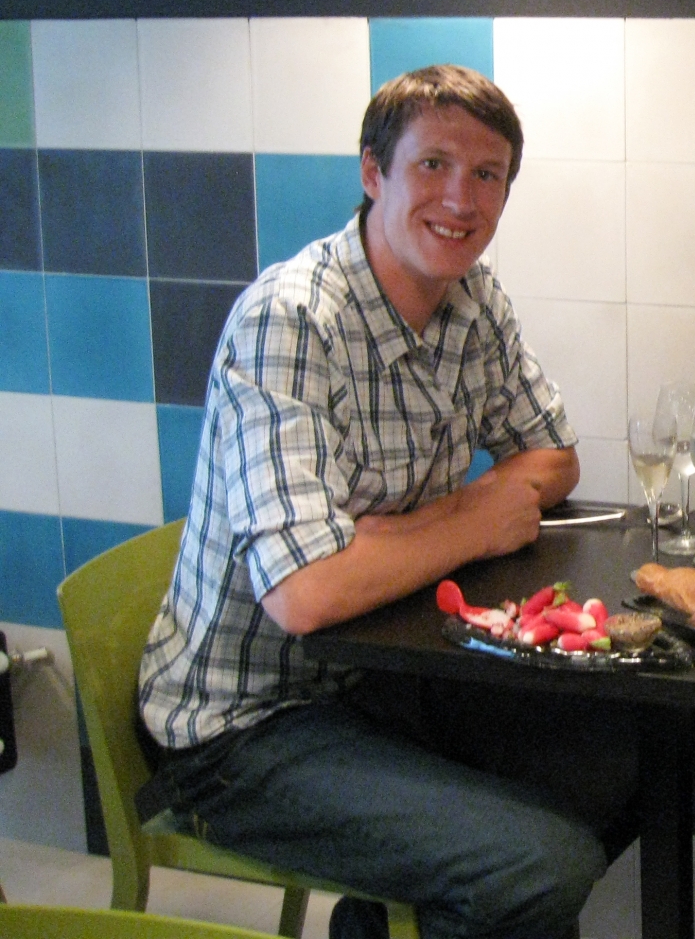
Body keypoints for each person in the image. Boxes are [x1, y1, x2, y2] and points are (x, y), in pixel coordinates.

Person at [135, 64, 634, 939]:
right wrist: (473, 522)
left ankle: (382, 924)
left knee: (650, 754)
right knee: (537, 866)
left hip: (387, 675)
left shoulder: (471, 296)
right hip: (246, 725)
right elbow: (308, 594)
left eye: (488, 176)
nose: (462, 199)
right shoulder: (289, 323)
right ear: (373, 173)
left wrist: (409, 533)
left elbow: (551, 459)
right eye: (433, 165)